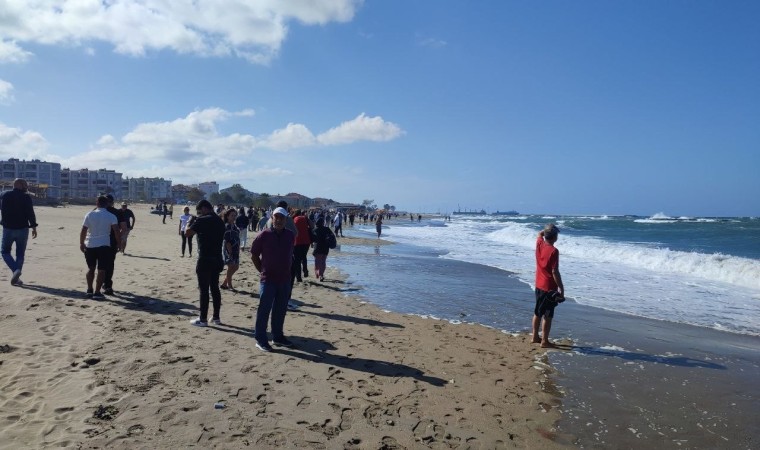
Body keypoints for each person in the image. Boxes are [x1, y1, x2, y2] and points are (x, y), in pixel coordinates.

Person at [250, 207, 295, 352]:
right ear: (272, 218)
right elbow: (254, 255)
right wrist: (262, 270)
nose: (279, 220)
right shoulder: (264, 234)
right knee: (264, 310)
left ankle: (277, 336)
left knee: (280, 310)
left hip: (284, 279)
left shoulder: (290, 235)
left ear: (286, 220)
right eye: (276, 217)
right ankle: (260, 339)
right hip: (268, 279)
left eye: (282, 218)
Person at [186, 200, 226, 327]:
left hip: (205, 258)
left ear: (204, 209)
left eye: (199, 212)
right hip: (217, 258)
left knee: (204, 289)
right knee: (215, 288)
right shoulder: (220, 221)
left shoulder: (202, 220)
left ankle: (203, 319)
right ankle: (216, 317)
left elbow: (187, 233)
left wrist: (190, 221)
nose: (199, 214)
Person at [80, 196, 120, 299]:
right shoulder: (111, 216)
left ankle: (89, 290)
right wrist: (119, 243)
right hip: (104, 245)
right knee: (102, 270)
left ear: (97, 203)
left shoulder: (89, 214)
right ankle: (97, 292)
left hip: (90, 244)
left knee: (91, 268)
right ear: (107, 204)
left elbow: (84, 230)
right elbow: (116, 231)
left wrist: (81, 243)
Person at [532, 223, 565, 349]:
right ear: (555, 237)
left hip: (538, 285)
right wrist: (561, 288)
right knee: (548, 315)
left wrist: (546, 230)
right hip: (549, 288)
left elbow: (539, 234)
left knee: (537, 312)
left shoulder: (539, 243)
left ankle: (535, 336)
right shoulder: (553, 251)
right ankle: (544, 341)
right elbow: (554, 272)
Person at [0, 178, 38, 286]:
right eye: (25, 185)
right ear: (20, 185)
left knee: (5, 252)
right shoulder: (26, 197)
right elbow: (30, 213)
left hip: (8, 228)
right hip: (22, 229)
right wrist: (34, 227)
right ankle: (16, 274)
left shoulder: (4, 195)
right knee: (20, 253)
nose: (27, 187)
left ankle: (15, 271)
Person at [102, 194, 127, 295]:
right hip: (112, 241)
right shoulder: (117, 212)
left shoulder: (96, 211)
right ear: (112, 202)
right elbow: (124, 228)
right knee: (110, 263)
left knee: (101, 264)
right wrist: (119, 240)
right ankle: (107, 285)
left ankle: (101, 285)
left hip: (98, 241)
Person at [221, 208, 241, 290]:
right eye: (232, 215)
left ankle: (224, 283)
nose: (234, 217)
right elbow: (227, 241)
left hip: (235, 249)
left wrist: (238, 249)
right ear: (227, 216)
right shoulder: (227, 226)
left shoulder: (235, 226)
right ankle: (230, 286)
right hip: (228, 249)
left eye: (235, 215)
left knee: (236, 267)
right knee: (231, 266)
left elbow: (237, 238)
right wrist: (230, 252)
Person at [311, 217, 335, 282]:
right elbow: (332, 236)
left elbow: (312, 238)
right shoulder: (327, 229)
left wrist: (311, 244)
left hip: (317, 247)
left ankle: (317, 273)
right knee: (323, 262)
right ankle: (321, 275)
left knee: (317, 262)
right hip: (325, 248)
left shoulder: (315, 230)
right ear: (323, 222)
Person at [292, 210, 311, 283]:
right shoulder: (305, 218)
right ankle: (305, 270)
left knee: (297, 260)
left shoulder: (293, 219)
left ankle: (299, 277)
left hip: (297, 242)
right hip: (306, 241)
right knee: (304, 256)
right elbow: (312, 226)